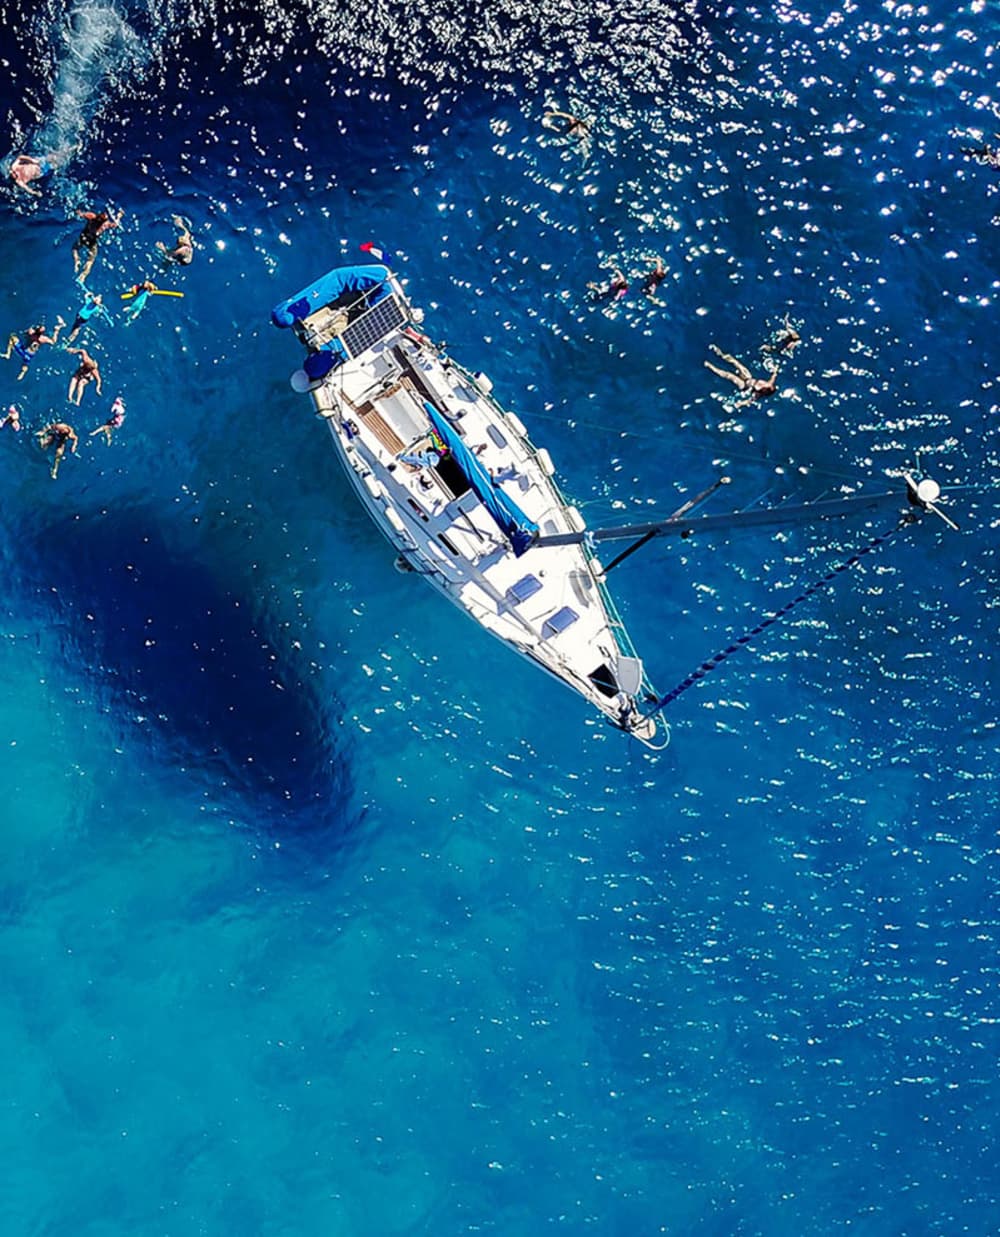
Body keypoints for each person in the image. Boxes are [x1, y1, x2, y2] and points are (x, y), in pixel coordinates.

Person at [704, 344, 780, 408]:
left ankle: (710, 366)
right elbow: (773, 377)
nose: (767, 385)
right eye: (769, 385)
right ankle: (719, 353)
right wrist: (775, 370)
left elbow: (750, 401)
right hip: (749, 377)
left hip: (744, 385)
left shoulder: (759, 393)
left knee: (728, 375)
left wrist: (740, 404)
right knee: (735, 362)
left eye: (767, 388)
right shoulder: (769, 384)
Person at [73, 206, 123, 283]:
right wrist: (119, 216)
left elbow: (80, 214)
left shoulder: (91, 216)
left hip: (83, 238)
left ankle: (77, 261)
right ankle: (83, 275)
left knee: (75, 249)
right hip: (92, 243)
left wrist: (77, 210)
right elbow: (115, 225)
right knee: (91, 260)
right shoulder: (105, 224)